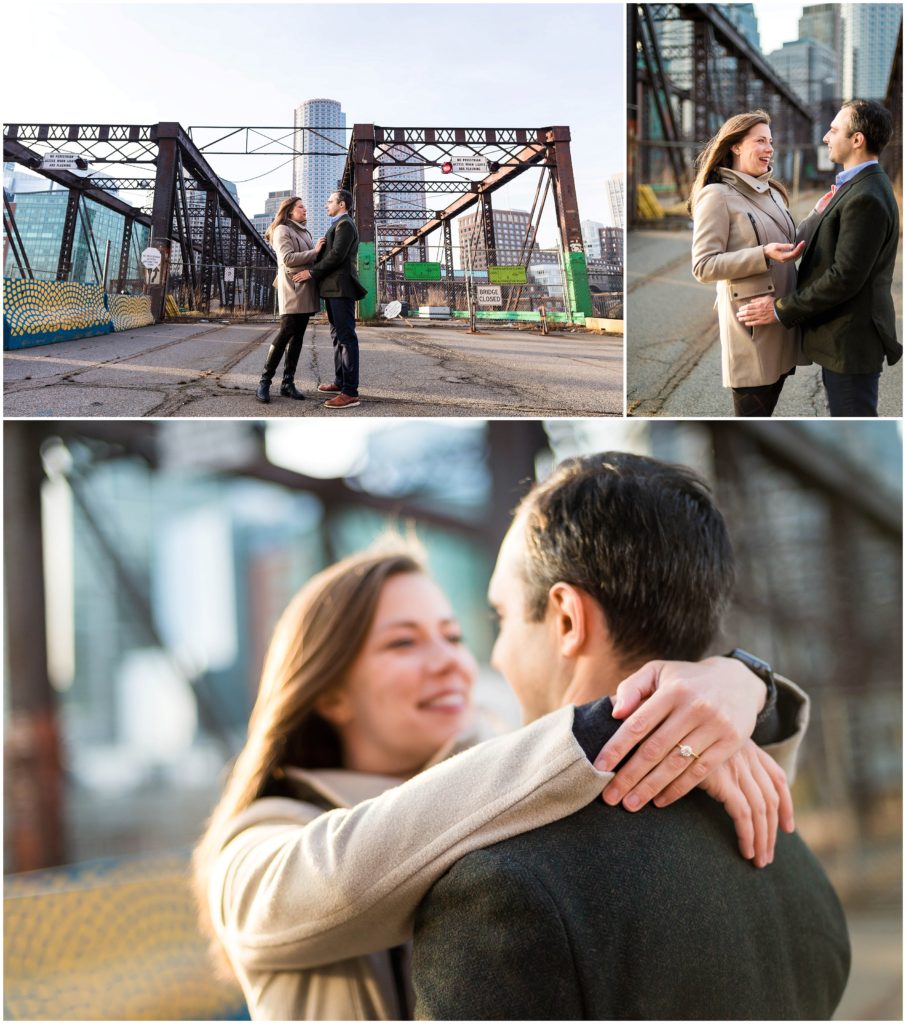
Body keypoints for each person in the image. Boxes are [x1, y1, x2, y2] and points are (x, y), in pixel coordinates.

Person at [193, 527, 809, 1021]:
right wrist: (625, 719)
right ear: (329, 694)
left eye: (454, 635)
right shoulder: (255, 849)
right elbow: (350, 876)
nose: (451, 664)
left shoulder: (515, 774)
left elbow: (745, 819)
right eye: (403, 644)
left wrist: (743, 687)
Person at [412, 454, 850, 1020]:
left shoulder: (505, 890)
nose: (495, 654)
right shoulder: (788, 853)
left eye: (501, 619)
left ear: (567, 620)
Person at [738, 100, 901, 416]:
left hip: (850, 343)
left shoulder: (865, 196)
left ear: (857, 140)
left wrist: (780, 309)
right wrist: (817, 215)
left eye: (834, 130)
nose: (826, 137)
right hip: (843, 340)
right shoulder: (857, 186)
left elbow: (844, 278)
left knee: (853, 422)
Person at [690, 111, 808, 417]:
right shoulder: (716, 196)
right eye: (760, 141)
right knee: (753, 420)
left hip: (780, 319)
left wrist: (822, 213)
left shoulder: (774, 192)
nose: (769, 148)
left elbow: (789, 239)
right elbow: (703, 266)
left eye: (770, 141)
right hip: (751, 328)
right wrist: (762, 254)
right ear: (736, 146)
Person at [293, 188, 367, 410]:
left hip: (341, 289)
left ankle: (350, 392)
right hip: (333, 289)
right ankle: (340, 382)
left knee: (346, 338)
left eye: (330, 201)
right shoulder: (338, 224)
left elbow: (337, 256)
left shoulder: (345, 225)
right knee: (337, 337)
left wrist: (312, 272)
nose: (326, 205)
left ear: (341, 204)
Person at [256, 197, 322, 404]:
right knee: (286, 332)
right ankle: (264, 382)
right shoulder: (282, 230)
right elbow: (287, 259)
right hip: (292, 286)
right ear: (290, 211)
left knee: (298, 336)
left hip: (306, 286)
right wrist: (316, 251)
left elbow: (310, 258)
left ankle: (287, 383)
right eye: (301, 207)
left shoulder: (304, 232)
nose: (305, 209)